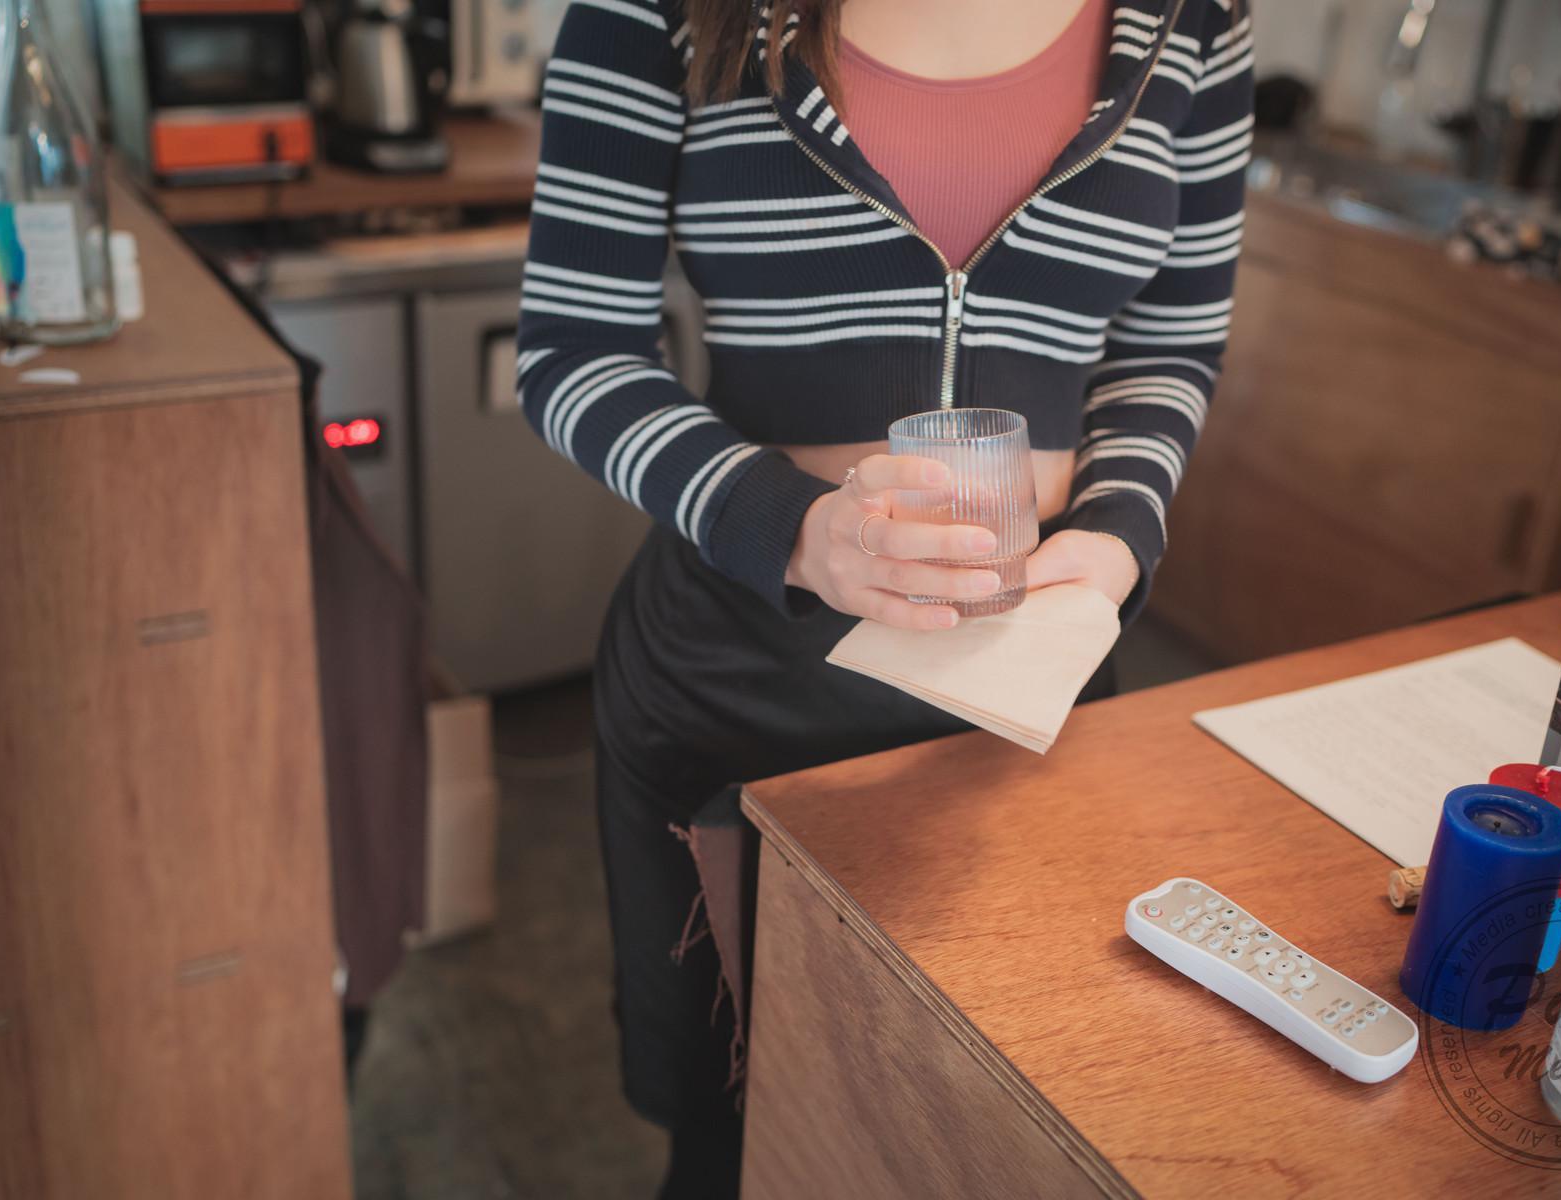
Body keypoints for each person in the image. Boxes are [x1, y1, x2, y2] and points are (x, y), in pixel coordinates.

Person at [515, 0, 1252, 1192]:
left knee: (991, 1128)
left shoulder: (1194, 20)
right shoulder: (654, 10)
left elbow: (1166, 342)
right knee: (741, 1140)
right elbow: (573, 349)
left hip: (1032, 682)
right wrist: (795, 531)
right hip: (743, 677)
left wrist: (1117, 534)